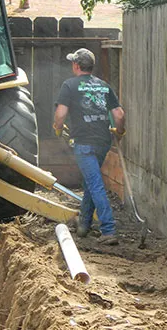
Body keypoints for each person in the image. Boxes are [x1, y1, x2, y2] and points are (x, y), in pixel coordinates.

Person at [53, 48, 126, 245]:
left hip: (83, 143)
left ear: (76, 65)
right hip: (103, 141)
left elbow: (60, 115)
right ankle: (84, 224)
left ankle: (109, 230)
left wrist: (58, 129)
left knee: (94, 184)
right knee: (90, 183)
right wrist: (119, 132)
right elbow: (119, 114)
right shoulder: (103, 86)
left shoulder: (69, 85)